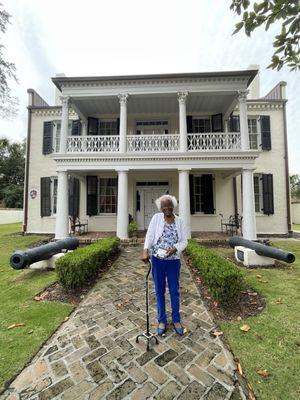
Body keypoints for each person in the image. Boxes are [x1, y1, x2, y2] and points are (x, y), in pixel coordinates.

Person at [141, 194, 188, 336]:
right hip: (157, 260)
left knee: (174, 290)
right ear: (161, 208)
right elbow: (150, 235)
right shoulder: (156, 218)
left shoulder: (180, 221)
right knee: (159, 290)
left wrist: (175, 249)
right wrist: (145, 251)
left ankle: (176, 320)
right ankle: (162, 320)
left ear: (173, 206)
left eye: (169, 205)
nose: (167, 208)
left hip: (173, 261)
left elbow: (185, 241)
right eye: (164, 206)